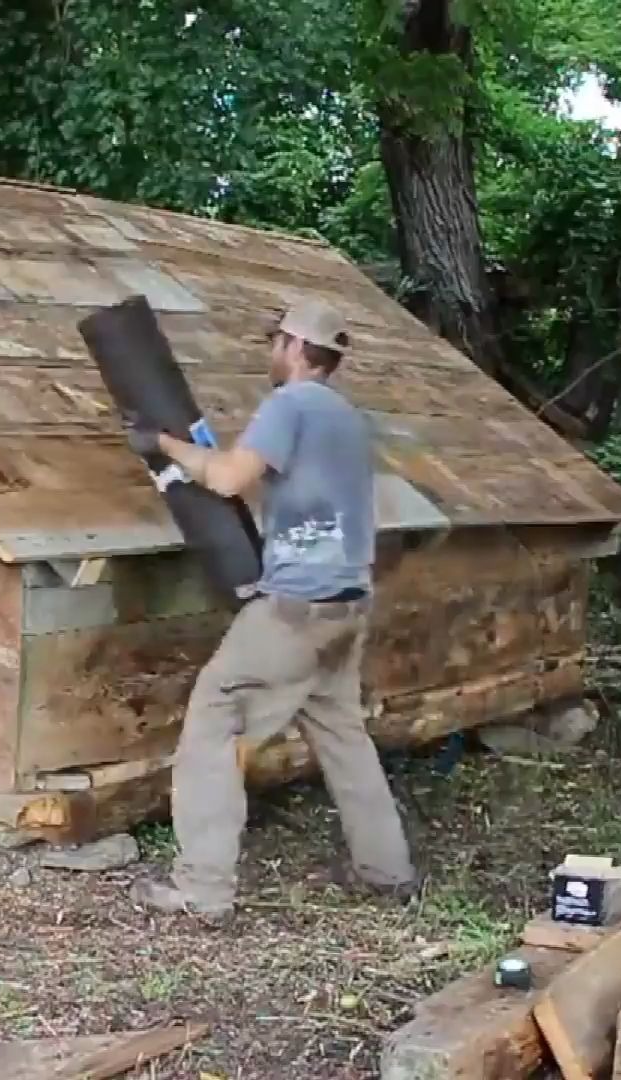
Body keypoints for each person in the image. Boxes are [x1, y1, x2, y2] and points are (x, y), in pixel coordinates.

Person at [122, 299, 418, 924]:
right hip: (348, 603)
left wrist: (165, 445)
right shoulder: (347, 417)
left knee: (212, 719)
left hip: (296, 609)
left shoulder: (290, 405)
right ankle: (387, 870)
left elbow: (229, 479)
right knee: (342, 733)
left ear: (294, 346)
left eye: (275, 340)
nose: (270, 351)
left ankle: (202, 887)